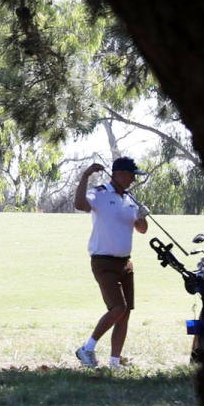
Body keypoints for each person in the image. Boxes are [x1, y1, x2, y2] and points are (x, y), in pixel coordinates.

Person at [73, 157, 149, 368]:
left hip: (125, 263)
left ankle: (115, 362)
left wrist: (142, 216)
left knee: (125, 313)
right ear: (119, 174)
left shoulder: (130, 200)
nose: (133, 180)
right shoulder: (100, 193)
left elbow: (142, 229)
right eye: (131, 175)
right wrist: (86, 175)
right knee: (118, 307)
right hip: (103, 261)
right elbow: (79, 204)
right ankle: (86, 349)